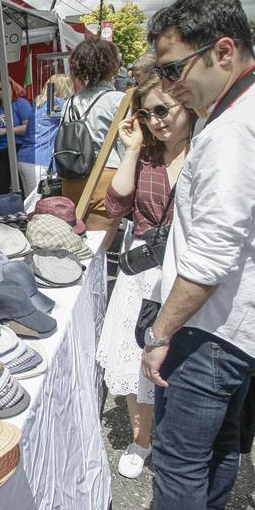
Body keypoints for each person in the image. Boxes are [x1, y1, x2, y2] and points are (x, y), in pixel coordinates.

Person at [100, 0, 255, 510]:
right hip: (250, 317)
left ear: (224, 51)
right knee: (225, 439)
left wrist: (159, 332)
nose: (170, 85)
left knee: (179, 459)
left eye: (175, 68)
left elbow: (208, 258)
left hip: (217, 325)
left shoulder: (235, 131)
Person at [97, 74, 197, 480]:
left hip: (188, 277)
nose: (157, 120)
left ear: (186, 104)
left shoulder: (208, 150)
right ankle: (142, 439)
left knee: (180, 364)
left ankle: (177, 440)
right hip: (142, 273)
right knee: (133, 359)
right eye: (148, 112)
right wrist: (133, 149)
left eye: (163, 109)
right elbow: (115, 203)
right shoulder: (148, 156)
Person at [60, 39, 126, 250]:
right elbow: (126, 147)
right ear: (110, 65)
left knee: (79, 246)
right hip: (105, 178)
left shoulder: (70, 102)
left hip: (71, 178)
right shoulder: (119, 100)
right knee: (97, 251)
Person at [17, 74, 73, 197]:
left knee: (31, 200)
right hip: (40, 159)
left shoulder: (38, 104)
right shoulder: (59, 103)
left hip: (25, 157)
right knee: (40, 200)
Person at [0, 78, 30, 196]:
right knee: (0, 190)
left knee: (21, 187)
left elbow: (28, 128)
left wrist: (7, 131)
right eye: (0, 89)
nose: (3, 91)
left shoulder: (20, 103)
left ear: (12, 88)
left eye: (6, 87)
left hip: (17, 149)